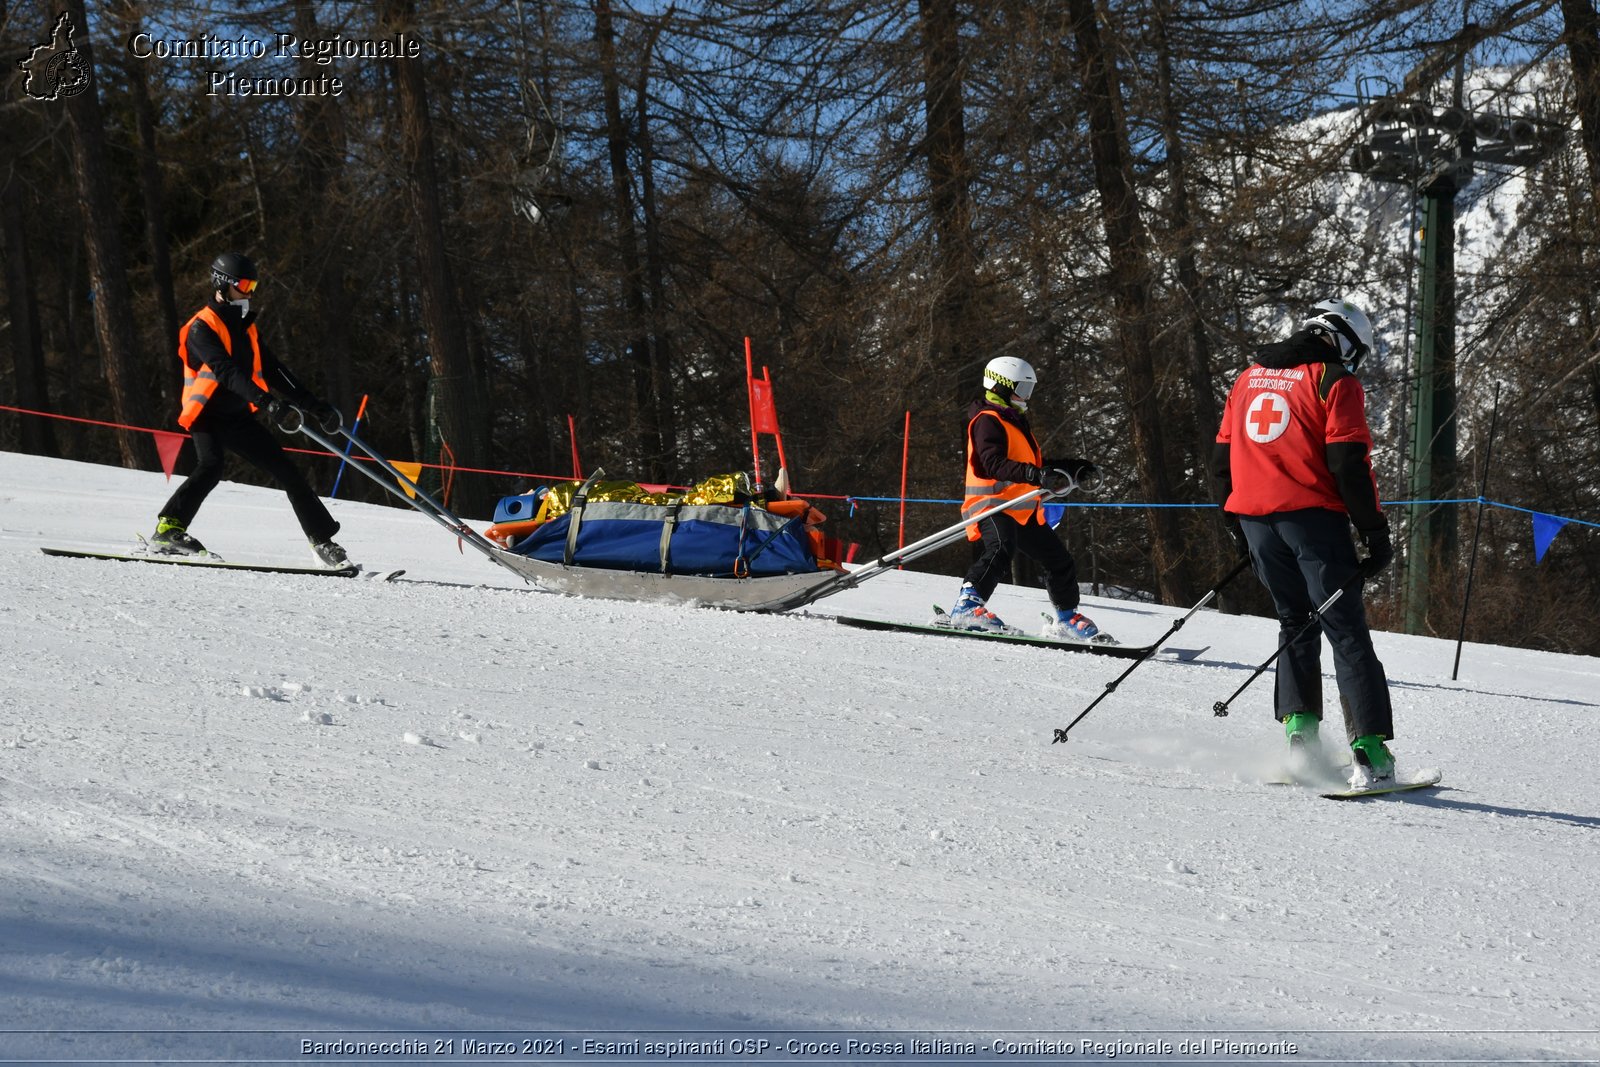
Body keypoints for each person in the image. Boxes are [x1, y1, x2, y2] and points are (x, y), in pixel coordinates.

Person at [1211, 297, 1398, 787]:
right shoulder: (1335, 382)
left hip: (1254, 520)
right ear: (1340, 338)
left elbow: (1220, 463)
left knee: (1294, 622)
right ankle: (1371, 752)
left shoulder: (1247, 378)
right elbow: (1348, 466)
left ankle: (1301, 742)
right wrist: (1375, 534)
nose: (1353, 362)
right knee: (1346, 629)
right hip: (1312, 522)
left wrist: (1238, 527)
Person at [151, 252, 350, 567]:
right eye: (244, 285)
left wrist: (315, 406)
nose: (249, 293)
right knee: (211, 466)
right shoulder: (201, 327)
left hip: (237, 416)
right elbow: (226, 371)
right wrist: (267, 402)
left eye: (253, 286)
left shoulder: (246, 328)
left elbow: (275, 372)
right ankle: (168, 529)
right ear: (223, 284)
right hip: (206, 414)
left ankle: (321, 541)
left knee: (287, 470)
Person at [944, 355, 1106, 643]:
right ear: (1003, 386)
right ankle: (967, 605)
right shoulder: (988, 421)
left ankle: (1067, 617)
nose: (1026, 397)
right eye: (1022, 389)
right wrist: (1034, 474)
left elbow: (1033, 464)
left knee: (1060, 560)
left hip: (1022, 509)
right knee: (1000, 548)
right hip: (993, 505)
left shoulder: (1014, 421)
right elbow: (993, 464)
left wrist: (1070, 468)